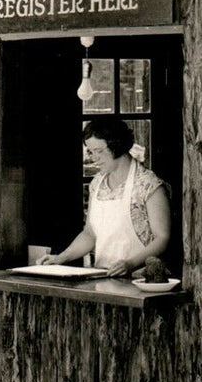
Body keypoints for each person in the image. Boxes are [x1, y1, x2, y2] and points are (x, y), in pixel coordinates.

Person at [39, 118, 170, 277]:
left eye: (99, 151)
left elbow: (162, 238)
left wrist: (130, 264)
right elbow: (90, 234)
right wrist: (61, 258)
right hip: (103, 276)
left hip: (139, 278)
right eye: (90, 151)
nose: (93, 158)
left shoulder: (148, 185)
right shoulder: (97, 183)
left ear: (117, 145)